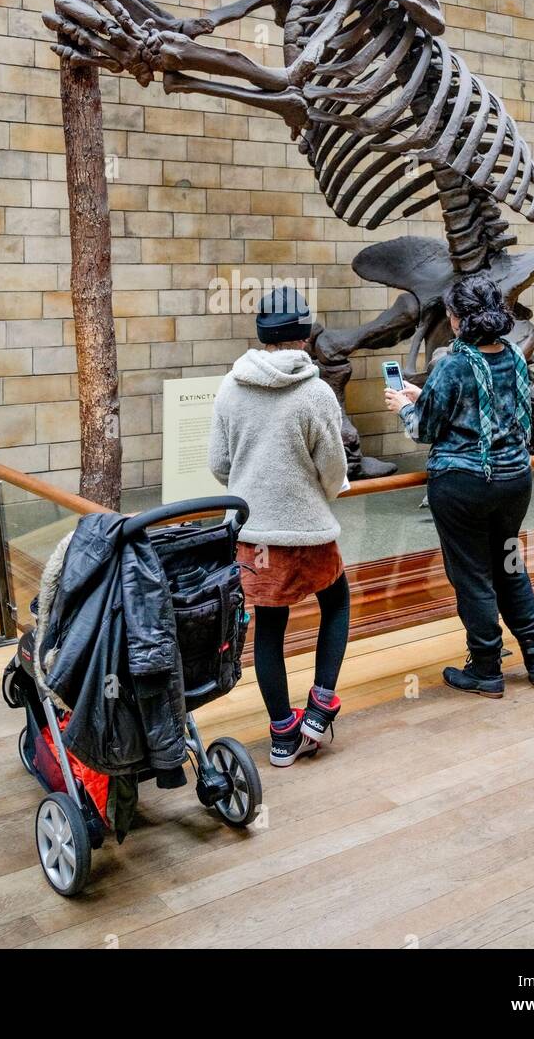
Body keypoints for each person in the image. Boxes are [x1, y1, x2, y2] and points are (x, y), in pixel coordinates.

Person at [384, 273, 534, 697]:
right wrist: (420, 394)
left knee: (474, 575)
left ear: (458, 320)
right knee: (508, 563)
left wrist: (403, 407)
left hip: (464, 484)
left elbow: (425, 428)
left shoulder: (455, 363)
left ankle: (486, 667)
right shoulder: (515, 354)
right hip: (515, 480)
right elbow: (494, 407)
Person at [208, 287, 351, 766]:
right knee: (337, 602)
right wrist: (319, 492)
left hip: (252, 534)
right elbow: (333, 466)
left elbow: (219, 463)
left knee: (269, 626)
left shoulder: (232, 386)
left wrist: (255, 486)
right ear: (304, 337)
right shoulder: (315, 391)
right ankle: (320, 706)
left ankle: (282, 734)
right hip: (308, 531)